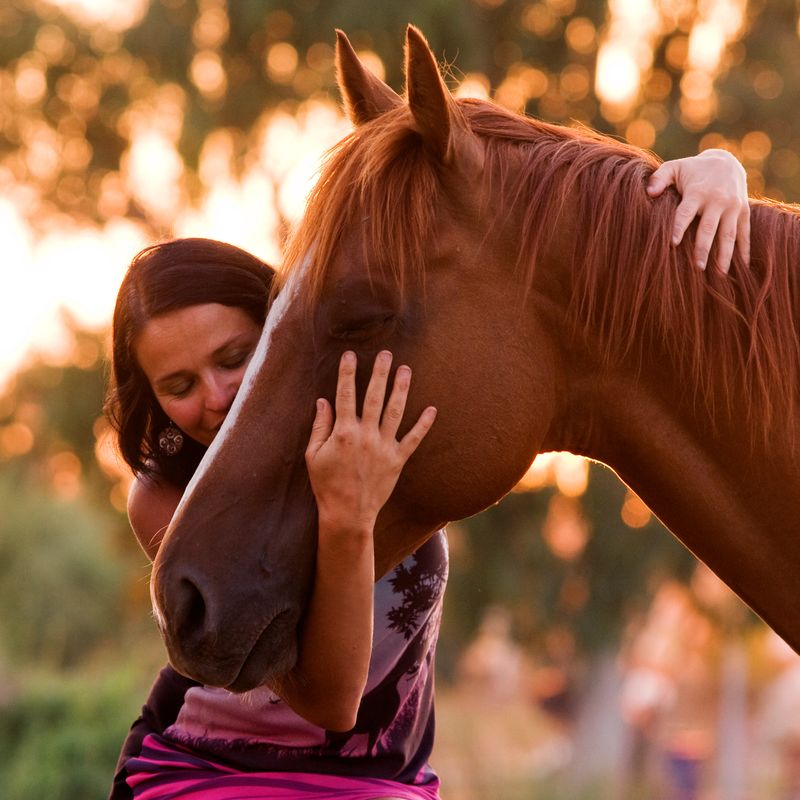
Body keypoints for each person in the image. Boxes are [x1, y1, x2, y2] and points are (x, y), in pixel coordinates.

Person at [105, 150, 750, 800]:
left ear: (281, 329)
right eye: (179, 385)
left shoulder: (381, 416)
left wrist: (708, 170)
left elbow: (535, 251)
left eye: (234, 356)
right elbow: (329, 703)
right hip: (219, 776)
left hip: (392, 782)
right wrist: (348, 519)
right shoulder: (168, 499)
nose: (215, 396)